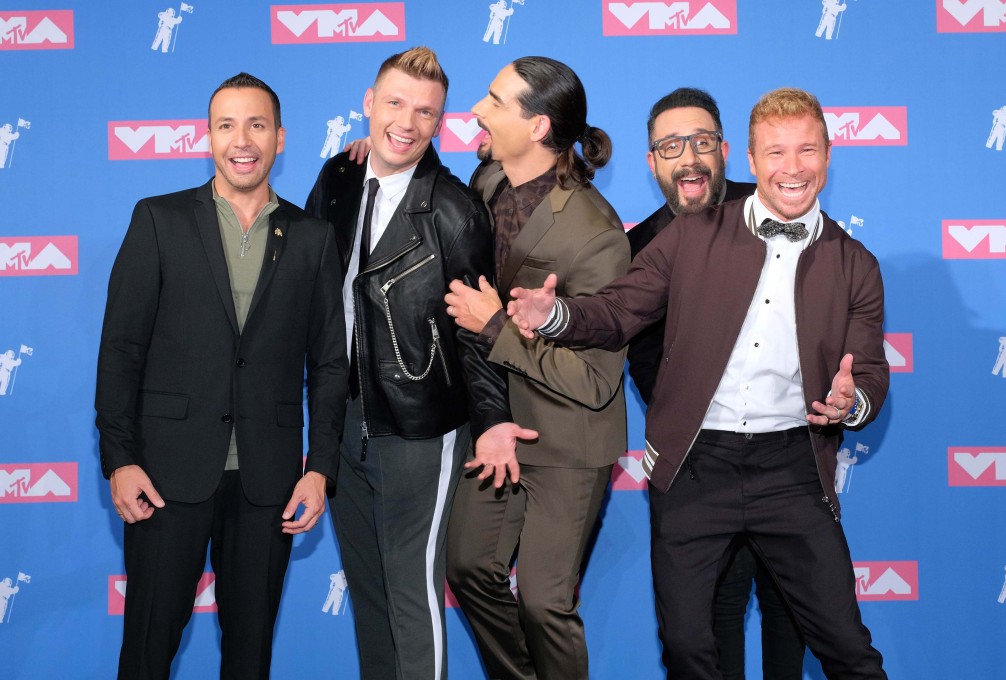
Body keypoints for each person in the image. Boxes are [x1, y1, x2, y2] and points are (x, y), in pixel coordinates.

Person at [506, 87, 890, 680]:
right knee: (688, 649)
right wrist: (555, 316)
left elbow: (867, 370)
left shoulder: (856, 263)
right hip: (694, 467)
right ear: (753, 161)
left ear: (829, 157)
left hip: (791, 468)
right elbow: (617, 312)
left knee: (847, 647)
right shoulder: (689, 235)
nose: (792, 168)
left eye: (807, 150)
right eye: (777, 153)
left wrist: (852, 402)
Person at [95, 73, 348, 680]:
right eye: (227, 124)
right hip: (164, 475)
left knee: (249, 656)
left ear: (280, 138)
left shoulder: (312, 239)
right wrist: (119, 459)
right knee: (147, 651)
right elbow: (121, 348)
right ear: (206, 137)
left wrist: (319, 469)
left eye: (257, 124)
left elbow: (331, 363)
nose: (243, 139)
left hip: (267, 483)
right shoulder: (159, 220)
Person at [305, 46, 526, 680]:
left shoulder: (455, 213)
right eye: (395, 103)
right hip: (343, 420)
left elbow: (477, 335)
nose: (406, 122)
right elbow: (310, 286)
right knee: (370, 596)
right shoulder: (338, 179)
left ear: (440, 122)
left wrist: (491, 420)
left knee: (413, 593)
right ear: (368, 105)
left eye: (424, 111)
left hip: (419, 430)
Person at [443, 56, 630, 680]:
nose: (477, 109)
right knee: (469, 567)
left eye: (495, 101)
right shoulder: (487, 180)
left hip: (569, 440)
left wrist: (496, 326)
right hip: (498, 427)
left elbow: (597, 382)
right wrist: (367, 158)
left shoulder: (595, 233)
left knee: (547, 602)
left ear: (540, 127)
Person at [630, 86, 804, 679]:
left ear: (727, 150)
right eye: (672, 146)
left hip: (786, 459)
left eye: (702, 141)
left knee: (792, 608)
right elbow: (648, 364)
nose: (690, 158)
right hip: (696, 465)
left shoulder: (778, 216)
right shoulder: (641, 246)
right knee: (706, 618)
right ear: (652, 161)